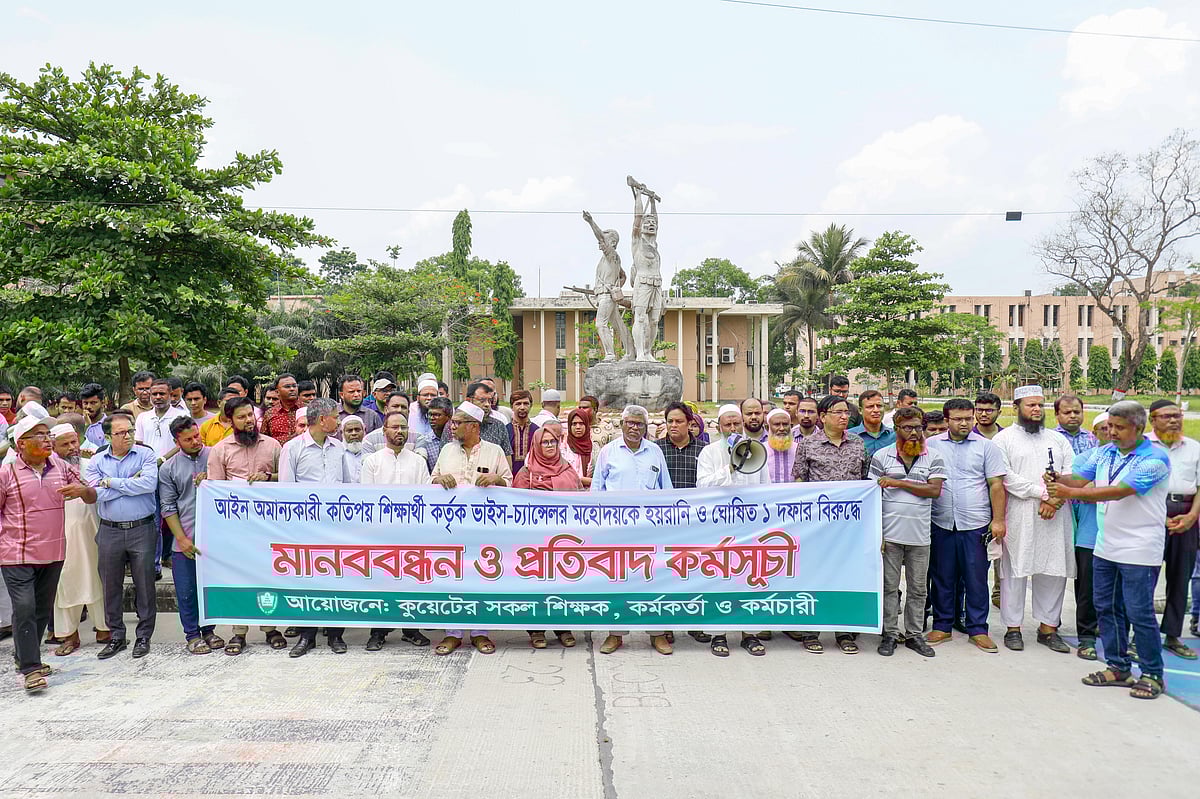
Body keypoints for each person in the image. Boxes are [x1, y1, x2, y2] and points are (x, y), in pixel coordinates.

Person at [1047, 401, 1171, 700]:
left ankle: (1153, 673)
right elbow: (1078, 479)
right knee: (1106, 608)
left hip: (1140, 548)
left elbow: (1120, 491)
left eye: (1119, 427)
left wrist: (1070, 492)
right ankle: (1118, 667)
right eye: (1110, 426)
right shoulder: (1105, 452)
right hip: (1105, 545)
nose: (1111, 432)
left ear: (1138, 428)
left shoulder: (1154, 459)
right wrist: (1057, 479)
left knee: (1138, 612)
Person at [1, 415, 96, 692]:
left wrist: (83, 491)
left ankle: (24, 657)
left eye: (48, 434)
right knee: (25, 607)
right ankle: (31, 669)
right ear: (21, 444)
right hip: (16, 553)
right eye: (40, 435)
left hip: (54, 551)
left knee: (42, 609)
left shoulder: (61, 467)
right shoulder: (7, 473)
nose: (47, 440)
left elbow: (91, 494)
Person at [993, 386, 1075, 654]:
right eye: (1031, 405)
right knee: (1014, 571)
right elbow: (1005, 477)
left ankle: (1048, 629)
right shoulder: (1003, 439)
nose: (1037, 409)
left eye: (1040, 405)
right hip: (1020, 513)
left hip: (1056, 514)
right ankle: (1013, 628)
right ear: (1016, 407)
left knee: (1053, 569)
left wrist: (1055, 499)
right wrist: (1044, 494)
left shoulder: (1058, 440)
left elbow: (1071, 473)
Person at [925, 399, 1007, 653]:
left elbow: (996, 485)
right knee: (942, 576)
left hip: (975, 524)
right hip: (941, 521)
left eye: (968, 418)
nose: (964, 423)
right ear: (946, 420)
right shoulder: (931, 445)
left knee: (976, 578)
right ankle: (942, 625)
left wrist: (998, 520)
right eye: (958, 419)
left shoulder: (986, 447)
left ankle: (978, 629)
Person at [430, 402, 511, 656]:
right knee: (451, 580)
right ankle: (452, 634)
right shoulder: (446, 450)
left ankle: (480, 633)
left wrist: (496, 479)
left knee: (481, 580)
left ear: (474, 426)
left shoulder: (494, 451)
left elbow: (510, 484)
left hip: (483, 529)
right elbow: (430, 480)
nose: (452, 427)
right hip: (450, 529)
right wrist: (439, 479)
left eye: (458, 423)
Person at [591, 404, 673, 655]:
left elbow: (666, 490)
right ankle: (615, 634)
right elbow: (596, 491)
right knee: (618, 582)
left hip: (650, 530)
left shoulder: (655, 452)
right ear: (622, 424)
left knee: (653, 582)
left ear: (646, 427)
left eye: (639, 424)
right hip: (617, 530)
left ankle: (657, 634)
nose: (634, 428)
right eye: (630, 423)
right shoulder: (608, 452)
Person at [792, 394, 871, 654]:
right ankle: (811, 631)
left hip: (850, 527)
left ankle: (844, 631)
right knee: (815, 577)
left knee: (846, 577)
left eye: (846, 412)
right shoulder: (808, 445)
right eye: (838, 412)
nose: (844, 417)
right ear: (823, 417)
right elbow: (799, 482)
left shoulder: (858, 444)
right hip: (818, 527)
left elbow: (865, 481)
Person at [207, 396, 285, 654]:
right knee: (238, 579)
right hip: (236, 529)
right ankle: (239, 632)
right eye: (241, 417)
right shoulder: (220, 450)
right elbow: (215, 492)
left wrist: (267, 477)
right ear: (230, 420)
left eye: (250, 415)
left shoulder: (273, 446)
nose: (248, 421)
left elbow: (286, 480)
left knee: (268, 577)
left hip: (268, 526)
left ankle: (270, 628)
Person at [871, 407, 947, 658]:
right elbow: (871, 494)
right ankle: (890, 634)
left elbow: (934, 490)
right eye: (907, 427)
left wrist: (897, 482)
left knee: (918, 589)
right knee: (889, 587)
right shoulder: (881, 456)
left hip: (920, 535)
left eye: (917, 427)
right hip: (889, 535)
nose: (914, 432)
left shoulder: (933, 456)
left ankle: (914, 635)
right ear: (896, 429)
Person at [697, 404, 769, 657]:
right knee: (719, 581)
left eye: (736, 423)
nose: (733, 428)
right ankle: (719, 633)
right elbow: (702, 485)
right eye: (727, 424)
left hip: (749, 526)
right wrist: (730, 468)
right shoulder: (708, 452)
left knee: (750, 580)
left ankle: (749, 634)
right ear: (719, 427)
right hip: (718, 527)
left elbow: (766, 489)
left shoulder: (757, 450)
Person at [85, 412, 159, 660]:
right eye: (121, 433)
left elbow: (148, 485)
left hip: (142, 528)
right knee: (110, 585)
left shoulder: (145, 454)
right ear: (108, 437)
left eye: (130, 431)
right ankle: (116, 635)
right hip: (110, 530)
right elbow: (95, 493)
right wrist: (127, 484)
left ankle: (144, 636)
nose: (128, 436)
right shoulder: (97, 460)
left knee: (145, 584)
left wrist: (110, 482)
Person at [280, 398, 350, 657]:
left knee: (337, 579)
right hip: (306, 527)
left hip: (336, 526)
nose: (339, 421)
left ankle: (336, 635)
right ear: (322, 420)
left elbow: (347, 486)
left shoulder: (338, 447)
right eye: (335, 416)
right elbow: (286, 492)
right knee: (307, 580)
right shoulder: (292, 448)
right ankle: (307, 636)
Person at [359, 410, 432, 652]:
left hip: (412, 534)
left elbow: (426, 498)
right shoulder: (372, 461)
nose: (400, 431)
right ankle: (378, 632)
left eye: (403, 427)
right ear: (384, 431)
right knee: (382, 584)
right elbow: (368, 500)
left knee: (411, 583)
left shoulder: (418, 462)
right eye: (395, 427)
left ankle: (410, 630)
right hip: (382, 535)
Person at [159, 416, 225, 655]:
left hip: (216, 538)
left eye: (197, 436)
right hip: (186, 538)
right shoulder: (168, 468)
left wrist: (212, 478)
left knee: (210, 588)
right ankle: (192, 635)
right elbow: (168, 507)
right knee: (186, 591)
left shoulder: (216, 456)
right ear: (177, 442)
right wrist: (181, 539)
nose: (196, 441)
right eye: (188, 439)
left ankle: (209, 631)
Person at [513, 427, 584, 649]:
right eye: (545, 442)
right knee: (536, 586)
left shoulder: (568, 470)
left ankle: (563, 627)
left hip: (563, 540)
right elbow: (516, 506)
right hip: (534, 543)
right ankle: (536, 630)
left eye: (553, 441)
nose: (550, 446)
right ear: (536, 445)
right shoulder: (526, 473)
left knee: (562, 584)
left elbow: (580, 501)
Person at [47, 422, 109, 656]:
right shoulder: (48, 471)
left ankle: (104, 628)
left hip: (93, 532)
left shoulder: (91, 466)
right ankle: (69, 634)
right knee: (66, 581)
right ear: (53, 447)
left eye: (74, 441)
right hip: (61, 537)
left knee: (98, 577)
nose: (72, 447)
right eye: (65, 444)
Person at [1145, 399, 1199, 660]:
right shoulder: (1142, 446)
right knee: (1144, 578)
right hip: (1150, 514)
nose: (1173, 421)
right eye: (1166, 416)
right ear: (1152, 420)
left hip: (1186, 515)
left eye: (1177, 416)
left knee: (1180, 578)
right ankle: (1142, 636)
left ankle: (1173, 635)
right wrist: (1160, 517)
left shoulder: (1194, 448)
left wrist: (1191, 517)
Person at [1067, 409, 1106, 662]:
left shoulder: (1134, 460)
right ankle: (1087, 637)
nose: (1112, 432)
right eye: (1105, 428)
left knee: (1119, 592)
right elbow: (1080, 491)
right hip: (1089, 534)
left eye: (1117, 426)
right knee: (1087, 590)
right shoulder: (1085, 459)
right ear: (1094, 433)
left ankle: (1117, 636)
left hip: (1121, 537)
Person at [582, 209, 635, 362]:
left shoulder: (611, 255)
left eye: (604, 239)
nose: (600, 242)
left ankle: (610, 354)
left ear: (612, 243)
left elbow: (600, 236)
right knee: (619, 325)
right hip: (606, 295)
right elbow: (623, 275)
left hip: (606, 296)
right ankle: (630, 352)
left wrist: (590, 222)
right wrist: (616, 287)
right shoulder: (611, 259)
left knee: (601, 324)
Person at [134, 378, 188, 461]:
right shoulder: (142, 417)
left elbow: (184, 443)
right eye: (154, 394)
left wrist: (163, 460)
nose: (158, 397)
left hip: (175, 464)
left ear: (170, 394)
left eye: (162, 394)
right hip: (149, 465)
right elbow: (139, 444)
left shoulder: (182, 416)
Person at [463, 381, 514, 468]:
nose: (487, 404)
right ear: (468, 401)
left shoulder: (499, 426)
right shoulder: (454, 425)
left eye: (490, 401)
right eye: (482, 400)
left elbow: (507, 464)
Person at [656, 401, 704, 489]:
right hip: (665, 497)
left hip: (694, 497)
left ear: (689, 424)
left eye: (678, 421)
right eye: (670, 421)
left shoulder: (704, 449)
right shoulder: (656, 449)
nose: (673, 425)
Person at [850, 389, 896, 457]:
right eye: (870, 406)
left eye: (879, 406)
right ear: (860, 410)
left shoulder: (894, 436)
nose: (876, 410)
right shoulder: (849, 437)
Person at [260, 373, 301, 446]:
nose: (292, 389)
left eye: (294, 386)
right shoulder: (270, 413)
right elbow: (264, 440)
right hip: (278, 452)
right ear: (277, 392)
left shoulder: (307, 409)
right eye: (287, 386)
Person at [508, 390, 538, 474]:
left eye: (526, 403)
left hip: (532, 477)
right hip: (510, 477)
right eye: (518, 404)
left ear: (531, 405)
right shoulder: (505, 431)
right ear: (511, 407)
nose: (522, 407)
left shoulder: (537, 431)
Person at [765, 408, 799, 484]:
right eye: (777, 424)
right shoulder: (761, 451)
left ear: (791, 426)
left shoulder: (799, 449)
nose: (782, 428)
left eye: (785, 424)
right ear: (767, 427)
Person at [564, 408, 596, 487]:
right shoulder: (563, 447)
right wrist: (586, 480)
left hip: (590, 491)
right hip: (567, 490)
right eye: (574, 424)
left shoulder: (595, 448)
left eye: (581, 423)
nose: (578, 427)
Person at [80, 383, 108, 449]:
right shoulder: (77, 423)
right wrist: (85, 426)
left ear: (102, 403)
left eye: (93, 403)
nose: (88, 407)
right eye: (85, 403)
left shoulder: (109, 425)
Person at [340, 416, 368, 483]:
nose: (354, 433)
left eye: (357, 430)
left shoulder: (369, 451)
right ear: (342, 433)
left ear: (364, 431)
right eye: (349, 431)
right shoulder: (338, 451)